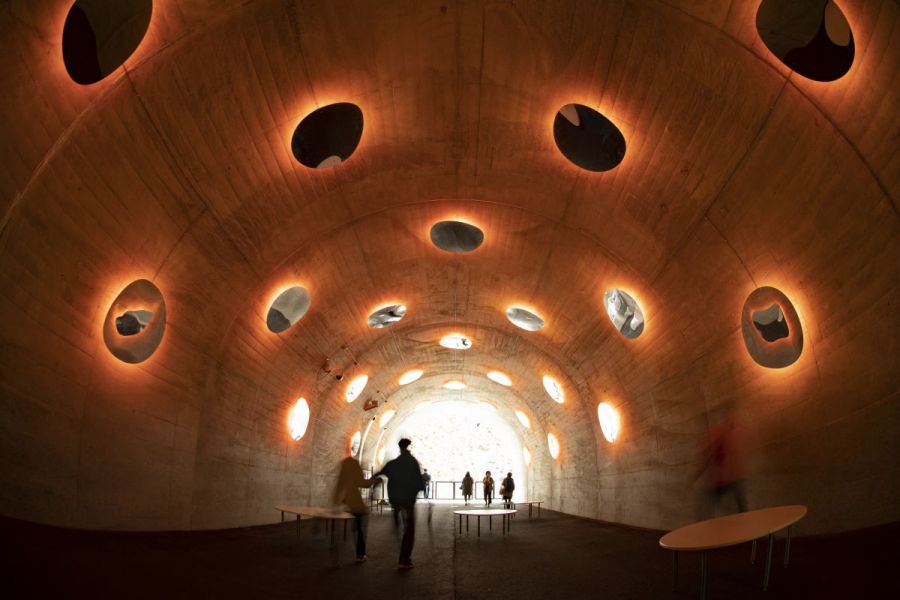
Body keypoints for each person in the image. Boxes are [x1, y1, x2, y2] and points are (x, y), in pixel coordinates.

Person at [374, 438, 425, 570]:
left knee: (403, 524)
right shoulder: (412, 462)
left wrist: (373, 482)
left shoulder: (394, 463)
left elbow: (380, 473)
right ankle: (404, 560)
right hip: (408, 501)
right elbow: (419, 482)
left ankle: (396, 523)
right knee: (409, 530)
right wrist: (420, 491)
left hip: (396, 500)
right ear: (408, 447)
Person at [694, 406, 748, 519]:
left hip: (722, 480)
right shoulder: (733, 432)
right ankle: (746, 528)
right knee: (741, 507)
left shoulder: (718, 433)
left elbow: (708, 457)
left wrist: (695, 475)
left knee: (706, 509)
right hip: (733, 478)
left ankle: (705, 529)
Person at [332, 455, 379, 562]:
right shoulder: (354, 467)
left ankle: (337, 556)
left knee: (346, 530)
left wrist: (336, 503)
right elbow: (363, 483)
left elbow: (338, 489)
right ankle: (360, 555)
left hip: (345, 505)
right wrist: (374, 481)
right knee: (360, 530)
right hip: (356, 506)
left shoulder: (343, 473)